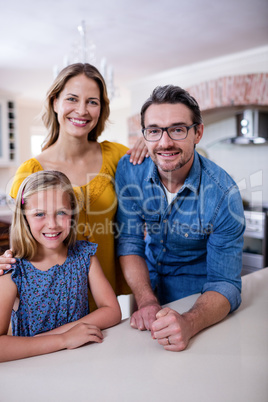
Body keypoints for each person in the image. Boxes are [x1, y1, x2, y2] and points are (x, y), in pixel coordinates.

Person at [0, 63, 148, 309]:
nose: (82, 110)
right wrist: (4, 260)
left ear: (101, 108)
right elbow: (23, 241)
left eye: (92, 101)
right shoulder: (30, 172)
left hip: (110, 301)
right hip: (58, 302)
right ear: (55, 102)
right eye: (72, 99)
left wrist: (151, 140)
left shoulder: (117, 156)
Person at [115, 85, 245, 351]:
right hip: (144, 287)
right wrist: (146, 299)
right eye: (154, 131)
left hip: (197, 299)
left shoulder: (223, 194)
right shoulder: (130, 170)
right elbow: (129, 240)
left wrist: (190, 322)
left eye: (177, 129)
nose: (165, 143)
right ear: (145, 135)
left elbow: (225, 283)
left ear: (197, 132)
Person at [0, 171, 121, 362]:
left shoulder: (84, 256)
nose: (52, 224)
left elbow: (112, 311)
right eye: (39, 214)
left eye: (61, 212)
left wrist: (64, 335)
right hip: (32, 369)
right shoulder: (13, 269)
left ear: (72, 213)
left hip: (81, 361)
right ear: (24, 218)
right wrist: (63, 339)